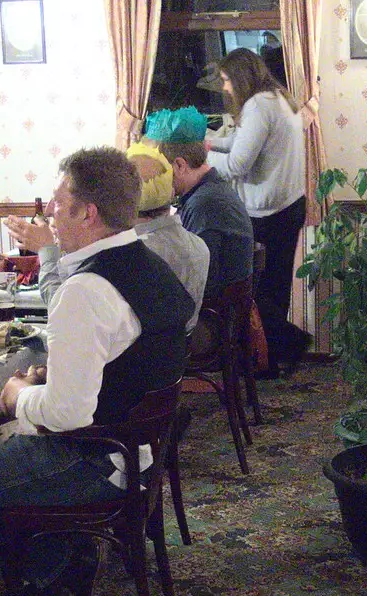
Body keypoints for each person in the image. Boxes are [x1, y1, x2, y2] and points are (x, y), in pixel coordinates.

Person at [0, 147, 193, 596]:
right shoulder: (150, 265)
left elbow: (66, 415)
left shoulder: (85, 291)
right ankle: (65, 549)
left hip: (95, 458)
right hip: (140, 451)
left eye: (58, 202)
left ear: (87, 213)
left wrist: (15, 398)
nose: (49, 212)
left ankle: (50, 572)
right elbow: (125, 364)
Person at [208, 48, 311, 378]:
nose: (224, 88)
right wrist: (209, 143)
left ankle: (286, 346)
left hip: (268, 212)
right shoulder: (279, 98)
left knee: (253, 292)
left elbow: (238, 164)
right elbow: (241, 142)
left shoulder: (256, 107)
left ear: (239, 78)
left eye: (225, 81)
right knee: (275, 289)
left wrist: (199, 161)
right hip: (289, 205)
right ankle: (273, 359)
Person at [159, 134, 255, 298]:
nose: (161, 179)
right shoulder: (211, 190)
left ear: (180, 165)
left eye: (162, 171)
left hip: (212, 316)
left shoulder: (204, 205)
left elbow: (199, 282)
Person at [126, 140, 208, 328]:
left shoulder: (132, 256)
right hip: (183, 353)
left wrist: (49, 252)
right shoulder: (200, 246)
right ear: (171, 191)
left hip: (140, 355)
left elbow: (70, 312)